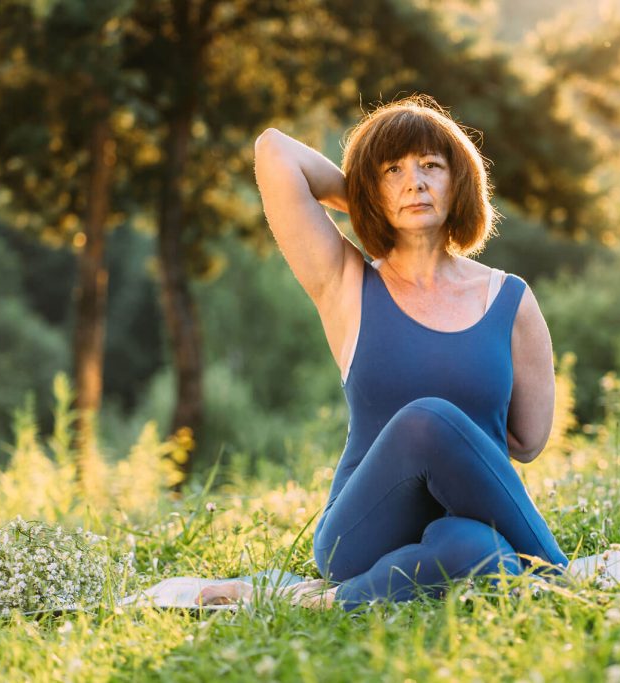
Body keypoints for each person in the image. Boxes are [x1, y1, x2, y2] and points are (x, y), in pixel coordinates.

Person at [198, 95, 568, 610]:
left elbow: (527, 442)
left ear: (460, 181)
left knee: (476, 551)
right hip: (361, 531)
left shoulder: (511, 300)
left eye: (431, 167)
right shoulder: (346, 284)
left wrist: (397, 196)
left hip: (462, 522)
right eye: (393, 170)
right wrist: (373, 205)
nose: (415, 182)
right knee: (426, 419)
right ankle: (558, 574)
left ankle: (320, 601)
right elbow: (274, 150)